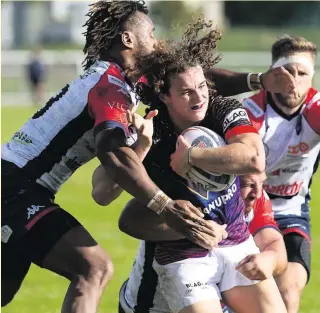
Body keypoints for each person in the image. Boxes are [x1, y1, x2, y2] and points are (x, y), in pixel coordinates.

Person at [2, 1, 222, 311]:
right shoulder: (110, 86)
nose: (157, 41)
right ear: (129, 39)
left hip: (17, 188)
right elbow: (116, 157)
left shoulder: (125, 81)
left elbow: (189, 77)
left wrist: (258, 82)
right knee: (93, 268)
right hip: (13, 189)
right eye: (152, 33)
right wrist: (165, 205)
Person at [92, 18, 286, 313]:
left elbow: (253, 158)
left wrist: (192, 157)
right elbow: (103, 195)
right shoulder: (151, 130)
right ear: (165, 96)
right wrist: (140, 147)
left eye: (201, 87)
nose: (199, 98)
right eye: (186, 92)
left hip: (235, 243)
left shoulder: (222, 109)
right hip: (182, 255)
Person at [239, 35, 320, 313]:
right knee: (240, 293)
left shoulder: (315, 107)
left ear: (312, 76)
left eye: (303, 73)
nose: (294, 81)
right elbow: (245, 150)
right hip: (245, 210)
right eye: (288, 72)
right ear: (273, 73)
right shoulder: (251, 111)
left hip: (291, 213)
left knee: (288, 289)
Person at [92, 171, 288, 313]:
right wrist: (195, 229)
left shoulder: (253, 197)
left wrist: (269, 260)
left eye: (261, 183)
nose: (256, 193)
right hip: (152, 306)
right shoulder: (183, 200)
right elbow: (128, 221)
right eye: (246, 183)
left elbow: (273, 243)